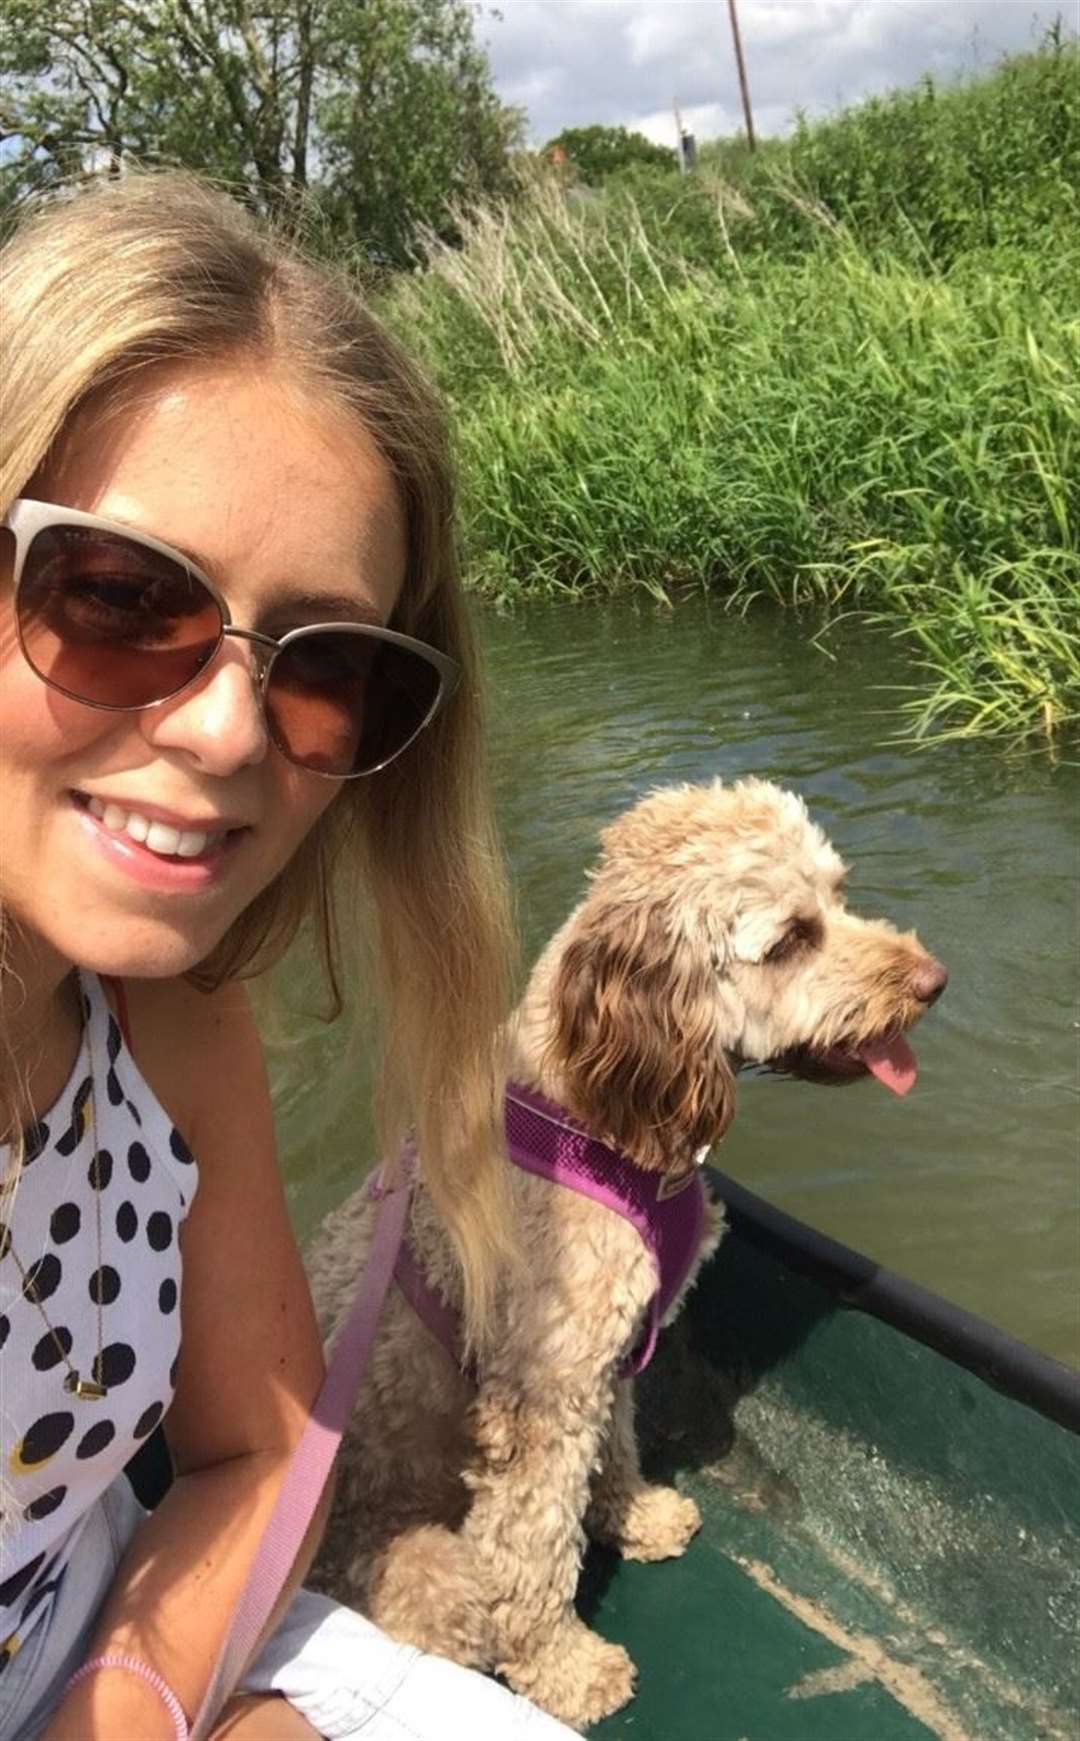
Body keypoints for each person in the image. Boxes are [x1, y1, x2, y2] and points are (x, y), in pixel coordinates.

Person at [0, 171, 574, 1741]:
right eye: (119, 598)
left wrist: (135, 1708)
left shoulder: (162, 1018)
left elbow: (256, 1450)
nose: (228, 729)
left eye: (325, 669)